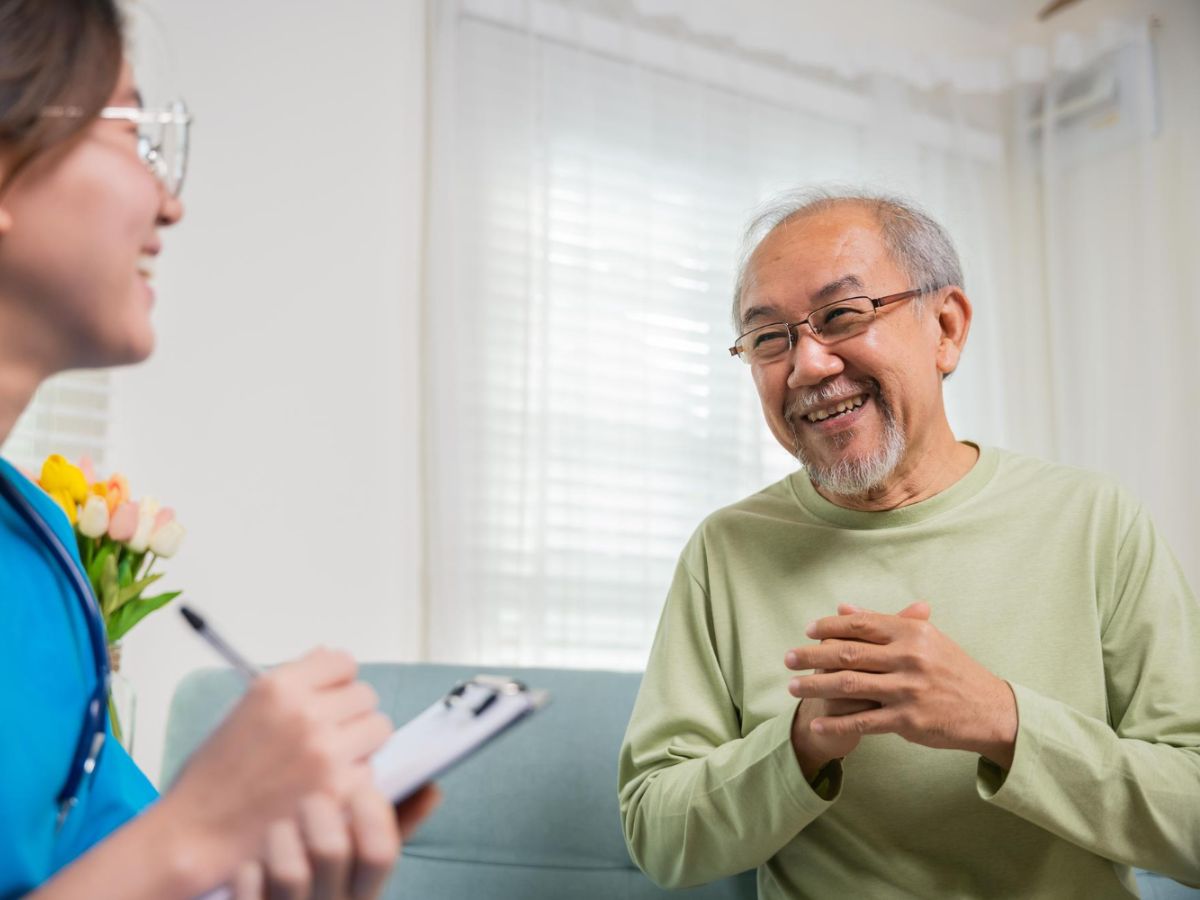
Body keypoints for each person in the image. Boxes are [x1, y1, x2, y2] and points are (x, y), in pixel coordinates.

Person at [618, 188, 1200, 899]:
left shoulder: (1094, 520)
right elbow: (659, 839)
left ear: (946, 327)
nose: (806, 366)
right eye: (770, 338)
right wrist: (796, 746)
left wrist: (1005, 722)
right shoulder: (725, 550)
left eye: (841, 315)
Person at [0, 1, 438, 897]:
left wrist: (255, 864)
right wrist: (198, 832)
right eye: (129, 132)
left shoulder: (38, 541)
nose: (171, 201)